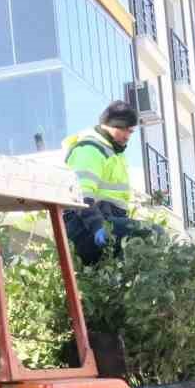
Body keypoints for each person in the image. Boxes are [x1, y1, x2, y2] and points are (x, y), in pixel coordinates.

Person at [62, 101, 145, 265]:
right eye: (123, 129)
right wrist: (97, 226)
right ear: (109, 125)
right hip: (86, 227)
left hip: (105, 222)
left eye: (130, 131)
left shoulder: (115, 154)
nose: (127, 136)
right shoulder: (90, 150)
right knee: (151, 233)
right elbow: (81, 196)